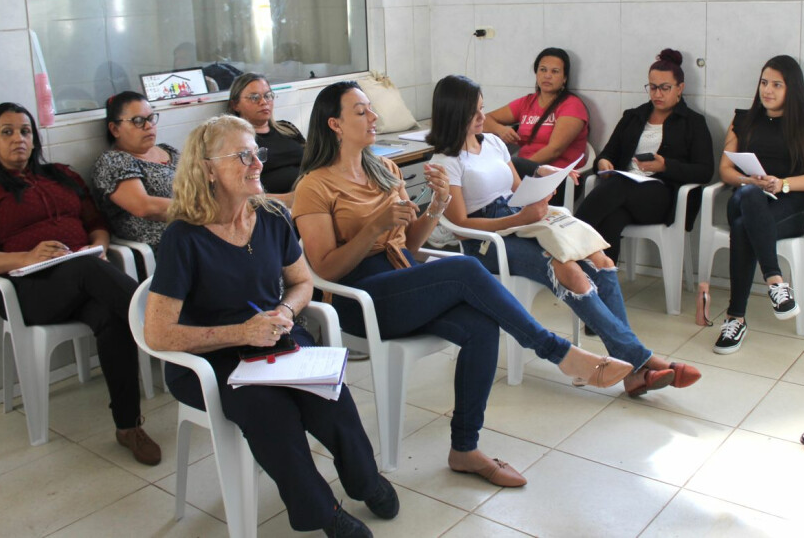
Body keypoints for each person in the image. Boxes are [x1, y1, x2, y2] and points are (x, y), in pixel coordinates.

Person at [293, 81, 632, 488]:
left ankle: (465, 449)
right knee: (467, 268)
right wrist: (373, 229)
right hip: (360, 299)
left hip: (401, 279)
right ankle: (557, 352)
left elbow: (411, 244)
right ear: (334, 124)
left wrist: (434, 206)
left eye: (371, 109)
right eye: (361, 112)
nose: (374, 117)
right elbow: (325, 269)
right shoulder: (314, 185)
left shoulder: (385, 170)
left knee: (481, 326)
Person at [145, 115, 394, 537]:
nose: (256, 163)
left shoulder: (272, 216)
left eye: (256, 152)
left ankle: (365, 481)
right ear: (207, 168)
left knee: (331, 397)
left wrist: (286, 312)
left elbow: (301, 282)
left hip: (273, 339)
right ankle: (323, 512)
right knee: (271, 415)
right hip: (211, 359)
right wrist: (240, 333)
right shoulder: (183, 239)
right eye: (242, 156)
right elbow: (159, 333)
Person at [429, 75, 701, 397]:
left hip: (518, 220)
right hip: (487, 241)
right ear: (453, 113)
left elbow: (518, 189)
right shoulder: (445, 161)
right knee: (568, 269)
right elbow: (460, 222)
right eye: (474, 112)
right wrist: (521, 217)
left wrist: (542, 191)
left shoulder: (493, 143)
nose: (482, 117)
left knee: (600, 260)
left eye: (482, 109)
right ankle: (641, 361)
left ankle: (632, 369)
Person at [0, 102, 161, 466]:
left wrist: (98, 247)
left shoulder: (61, 176)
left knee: (110, 318)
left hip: (80, 277)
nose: (19, 139)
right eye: (8, 132)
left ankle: (128, 426)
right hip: (26, 290)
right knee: (87, 271)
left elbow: (96, 224)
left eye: (26, 131)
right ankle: (165, 322)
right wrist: (27, 257)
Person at [703, 56, 804, 353]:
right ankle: (776, 282)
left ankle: (735, 318)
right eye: (764, 83)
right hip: (747, 196)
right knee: (748, 198)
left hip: (792, 206)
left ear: (792, 89)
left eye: (776, 84)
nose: (767, 90)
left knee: (742, 226)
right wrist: (752, 182)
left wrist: (782, 183)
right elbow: (725, 170)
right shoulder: (744, 119)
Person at [575, 49, 714, 264]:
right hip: (622, 192)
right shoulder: (634, 116)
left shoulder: (693, 123)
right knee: (612, 219)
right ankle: (602, 283)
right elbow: (608, 152)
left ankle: (569, 238)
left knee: (619, 185)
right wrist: (602, 162)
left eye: (665, 88)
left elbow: (705, 171)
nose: (657, 94)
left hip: (662, 197)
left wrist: (665, 166)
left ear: (680, 89)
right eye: (653, 87)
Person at [483, 47, 589, 179]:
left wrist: (518, 169)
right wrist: (500, 129)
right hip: (524, 170)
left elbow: (554, 150)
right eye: (543, 69)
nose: (547, 75)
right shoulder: (527, 102)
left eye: (555, 71)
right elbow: (483, 120)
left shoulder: (572, 105)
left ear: (564, 78)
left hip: (558, 176)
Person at [92, 91, 178, 250]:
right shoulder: (113, 161)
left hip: (199, 227)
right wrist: (202, 209)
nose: (148, 126)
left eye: (151, 118)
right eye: (138, 121)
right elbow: (144, 206)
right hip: (164, 244)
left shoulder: (169, 151)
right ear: (115, 129)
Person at [229, 72, 305, 206]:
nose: (263, 102)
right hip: (274, 207)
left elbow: (316, 160)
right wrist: (289, 199)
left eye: (268, 96)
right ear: (235, 105)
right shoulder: (237, 141)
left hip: (313, 194)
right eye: (254, 97)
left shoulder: (287, 128)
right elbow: (238, 194)